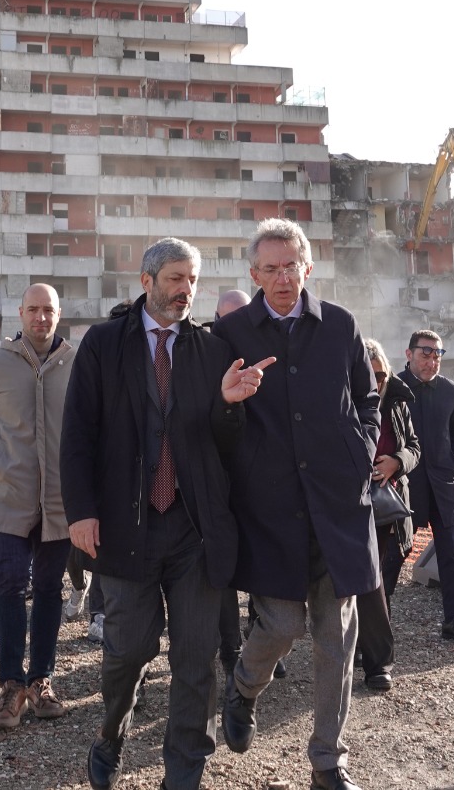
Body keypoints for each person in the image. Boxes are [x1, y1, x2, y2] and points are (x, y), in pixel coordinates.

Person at [62, 237, 265, 790]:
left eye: (192, 280)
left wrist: (229, 407)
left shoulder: (212, 350)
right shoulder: (104, 344)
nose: (185, 291)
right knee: (127, 653)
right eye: (175, 279)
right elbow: (77, 433)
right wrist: (79, 512)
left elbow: (228, 446)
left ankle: (184, 771)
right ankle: (111, 732)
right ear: (147, 281)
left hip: (193, 529)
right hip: (126, 525)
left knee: (197, 659)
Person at [215, 218, 380, 790]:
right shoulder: (231, 333)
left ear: (308, 267)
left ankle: (327, 762)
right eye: (271, 268)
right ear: (254, 274)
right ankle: (242, 688)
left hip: (337, 503)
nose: (282, 278)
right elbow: (214, 420)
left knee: (337, 639)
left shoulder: (339, 324)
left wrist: (360, 449)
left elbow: (367, 396)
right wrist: (231, 404)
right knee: (281, 625)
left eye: (292, 266)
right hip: (270, 508)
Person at [0, 285, 77, 729]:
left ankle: (41, 680)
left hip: (60, 502)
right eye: (34, 310)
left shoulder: (77, 363)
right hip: (9, 496)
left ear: (59, 313)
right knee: (9, 585)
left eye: (49, 309)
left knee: (49, 589)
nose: (41, 317)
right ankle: (11, 686)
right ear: (21, 313)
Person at [398, 329, 454, 645]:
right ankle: (376, 629)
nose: (432, 360)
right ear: (409, 354)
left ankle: (453, 621)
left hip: (443, 487)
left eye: (437, 354)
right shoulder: (395, 389)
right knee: (392, 557)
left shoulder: (450, 391)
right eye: (425, 353)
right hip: (405, 487)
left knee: (450, 558)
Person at [355, 338, 419, 693]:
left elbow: (414, 446)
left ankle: (372, 654)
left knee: (380, 582)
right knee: (364, 579)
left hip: (389, 507)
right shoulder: (339, 400)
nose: (375, 382)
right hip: (349, 503)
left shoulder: (397, 403)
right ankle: (371, 659)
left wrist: (397, 462)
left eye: (380, 375)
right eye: (368, 374)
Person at [212, 286, 260, 681]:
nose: (233, 326)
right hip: (219, 482)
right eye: (225, 318)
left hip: (263, 479)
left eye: (240, 316)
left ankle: (261, 639)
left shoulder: (270, 350)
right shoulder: (204, 355)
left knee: (265, 563)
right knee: (224, 571)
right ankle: (231, 650)